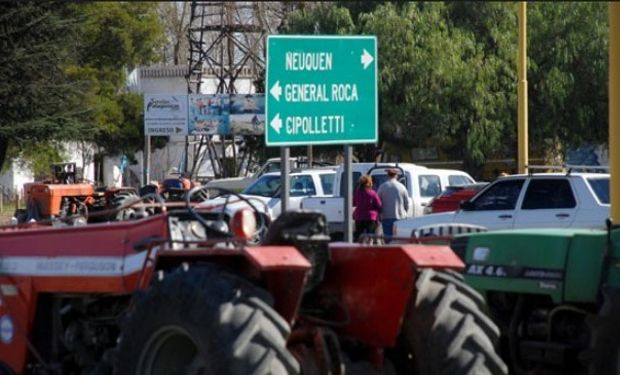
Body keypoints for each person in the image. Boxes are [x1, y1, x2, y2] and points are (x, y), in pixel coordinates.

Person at [377, 168, 410, 242]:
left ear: (387, 175)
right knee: (399, 239)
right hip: (400, 217)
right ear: (396, 175)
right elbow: (407, 203)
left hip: (386, 216)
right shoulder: (402, 187)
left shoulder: (382, 187)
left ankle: (388, 252)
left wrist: (379, 214)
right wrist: (405, 211)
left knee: (388, 239)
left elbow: (378, 202)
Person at [353, 175, 382, 242]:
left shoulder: (357, 193)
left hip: (359, 217)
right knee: (370, 237)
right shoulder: (372, 193)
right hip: (370, 218)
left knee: (359, 237)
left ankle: (359, 249)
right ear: (369, 183)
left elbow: (353, 203)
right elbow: (379, 205)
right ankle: (369, 249)